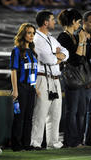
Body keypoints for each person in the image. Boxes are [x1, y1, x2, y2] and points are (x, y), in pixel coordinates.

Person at [30, 10, 69, 150]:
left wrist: (57, 55)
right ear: (46, 22)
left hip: (55, 78)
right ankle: (35, 142)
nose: (55, 22)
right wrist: (57, 56)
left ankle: (53, 142)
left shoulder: (51, 38)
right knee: (41, 111)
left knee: (55, 111)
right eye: (52, 19)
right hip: (42, 78)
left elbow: (66, 52)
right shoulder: (37, 38)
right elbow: (48, 59)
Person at [57, 8, 87, 147]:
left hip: (80, 78)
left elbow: (83, 58)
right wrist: (81, 42)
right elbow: (75, 59)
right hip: (71, 79)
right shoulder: (63, 37)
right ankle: (70, 140)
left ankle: (79, 139)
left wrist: (84, 42)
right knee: (73, 111)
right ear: (73, 21)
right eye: (78, 22)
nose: (79, 25)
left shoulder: (74, 36)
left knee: (81, 111)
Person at [10, 23, 38, 151]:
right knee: (19, 117)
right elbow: (14, 71)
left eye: (33, 33)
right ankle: (16, 144)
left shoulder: (32, 52)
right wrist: (15, 89)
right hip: (21, 88)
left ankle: (26, 144)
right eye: (29, 33)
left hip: (31, 88)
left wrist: (35, 87)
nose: (32, 35)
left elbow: (33, 71)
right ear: (23, 34)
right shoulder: (16, 50)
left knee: (29, 116)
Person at [82, 11, 91, 146]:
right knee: (81, 112)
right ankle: (81, 139)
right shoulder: (78, 36)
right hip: (83, 80)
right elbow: (80, 60)